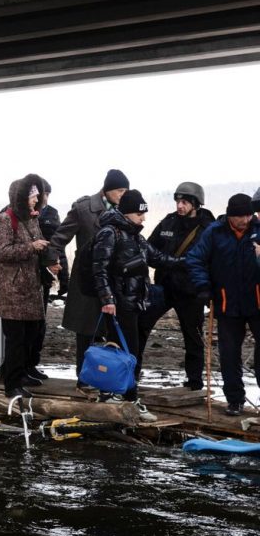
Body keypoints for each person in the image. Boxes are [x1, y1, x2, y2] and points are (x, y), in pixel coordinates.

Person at [92, 189, 180, 422]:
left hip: (137, 303)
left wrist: (189, 262)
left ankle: (119, 395)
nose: (144, 218)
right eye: (140, 214)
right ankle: (126, 398)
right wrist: (108, 300)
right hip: (119, 305)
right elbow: (99, 269)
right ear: (129, 212)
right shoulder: (110, 233)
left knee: (132, 352)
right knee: (126, 353)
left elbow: (158, 258)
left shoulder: (135, 236)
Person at [48, 169, 130, 386]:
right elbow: (60, 237)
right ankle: (83, 378)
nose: (123, 194)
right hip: (86, 279)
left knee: (112, 331)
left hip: (113, 280)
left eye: (125, 190)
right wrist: (52, 260)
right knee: (86, 332)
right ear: (107, 189)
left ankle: (108, 379)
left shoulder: (126, 209)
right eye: (119, 190)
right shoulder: (84, 208)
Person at [136, 182, 216, 390]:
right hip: (164, 287)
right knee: (140, 327)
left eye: (185, 202)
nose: (180, 206)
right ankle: (131, 374)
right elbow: (149, 249)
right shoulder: (168, 223)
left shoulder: (208, 228)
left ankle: (195, 382)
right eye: (178, 202)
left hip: (191, 292)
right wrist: (166, 262)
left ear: (196, 203)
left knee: (193, 337)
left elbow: (212, 260)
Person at [186, 193, 260, 416]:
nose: (245, 220)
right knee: (229, 354)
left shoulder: (258, 229)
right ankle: (235, 400)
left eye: (248, 215)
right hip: (227, 303)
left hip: (258, 303)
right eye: (240, 217)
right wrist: (202, 286)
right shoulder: (215, 232)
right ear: (230, 215)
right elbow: (195, 259)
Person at [0, 174, 52, 398]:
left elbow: (38, 245)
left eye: (37, 196)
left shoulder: (31, 218)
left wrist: (49, 261)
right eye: (32, 196)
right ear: (21, 197)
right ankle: (12, 385)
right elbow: (2, 251)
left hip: (29, 287)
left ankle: (17, 373)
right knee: (15, 339)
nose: (36, 200)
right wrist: (31, 246)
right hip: (11, 290)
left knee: (29, 334)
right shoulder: (6, 220)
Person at [38, 180, 68, 302]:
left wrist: (64, 277)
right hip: (26, 266)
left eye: (48, 194)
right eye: (45, 194)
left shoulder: (52, 213)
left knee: (42, 302)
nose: (46, 198)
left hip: (47, 266)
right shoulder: (22, 212)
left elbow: (59, 243)